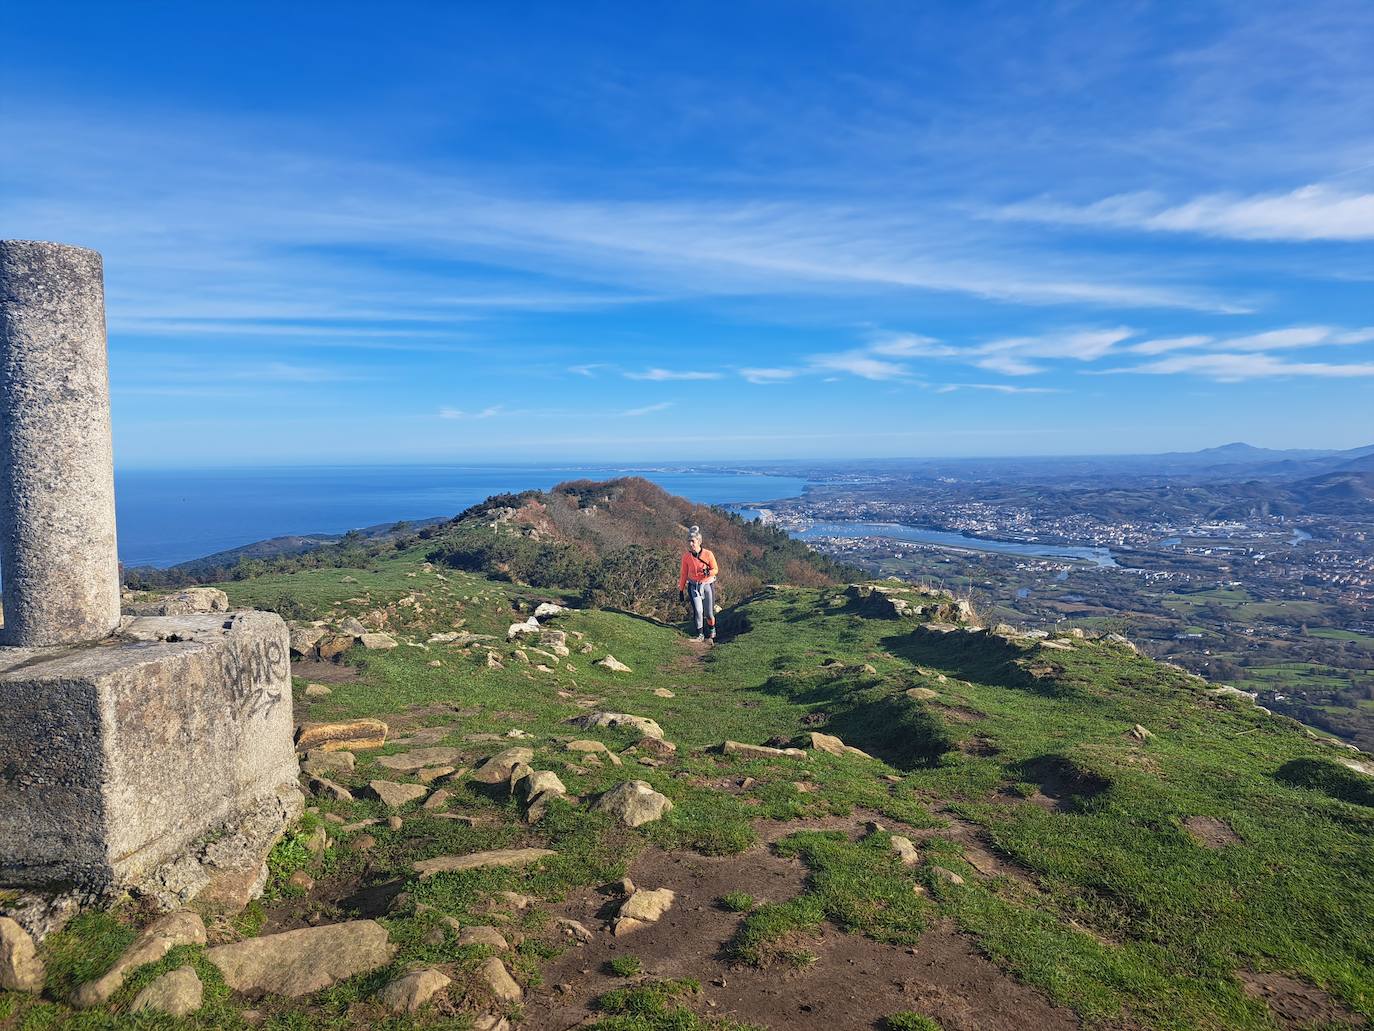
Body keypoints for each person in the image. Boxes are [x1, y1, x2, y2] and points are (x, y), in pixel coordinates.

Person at [677, 525, 718, 642]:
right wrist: (681, 590)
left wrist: (708, 572)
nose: (690, 544)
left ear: (699, 541)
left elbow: (715, 569)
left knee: (709, 613)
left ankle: (712, 630)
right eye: (689, 541)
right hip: (693, 586)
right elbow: (683, 574)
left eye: (693, 541)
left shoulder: (708, 554)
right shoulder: (686, 557)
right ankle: (700, 635)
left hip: (707, 585)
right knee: (698, 611)